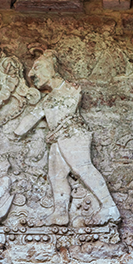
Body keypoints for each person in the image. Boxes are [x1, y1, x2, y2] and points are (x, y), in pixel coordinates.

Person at [14, 50, 120, 226]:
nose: (32, 74)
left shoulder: (71, 90)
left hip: (72, 134)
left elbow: (69, 104)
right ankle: (60, 214)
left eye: (37, 67)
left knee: (83, 168)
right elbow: (24, 125)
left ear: (50, 68)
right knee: (57, 176)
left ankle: (110, 208)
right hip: (58, 138)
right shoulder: (49, 100)